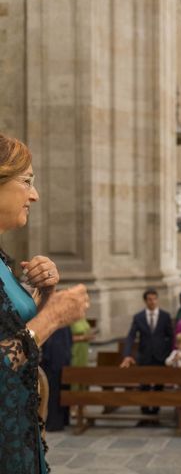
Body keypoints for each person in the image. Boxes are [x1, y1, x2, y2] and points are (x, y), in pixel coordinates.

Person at [0, 133, 89, 473]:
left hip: (18, 435)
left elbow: (18, 341)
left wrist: (44, 295)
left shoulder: (3, 259)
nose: (34, 195)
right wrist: (51, 317)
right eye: (27, 181)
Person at [120, 289, 173, 417]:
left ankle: (155, 413)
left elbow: (171, 337)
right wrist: (127, 355)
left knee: (159, 386)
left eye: (155, 299)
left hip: (160, 356)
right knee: (144, 386)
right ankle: (145, 414)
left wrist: (168, 353)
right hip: (144, 356)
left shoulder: (165, 316)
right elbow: (131, 337)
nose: (152, 302)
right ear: (145, 301)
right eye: (150, 299)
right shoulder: (139, 317)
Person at [40, 326, 72, 431]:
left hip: (54, 363)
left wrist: (45, 358)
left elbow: (50, 344)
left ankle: (55, 423)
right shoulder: (64, 324)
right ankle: (62, 421)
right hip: (63, 361)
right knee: (58, 392)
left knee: (55, 394)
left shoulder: (56, 325)